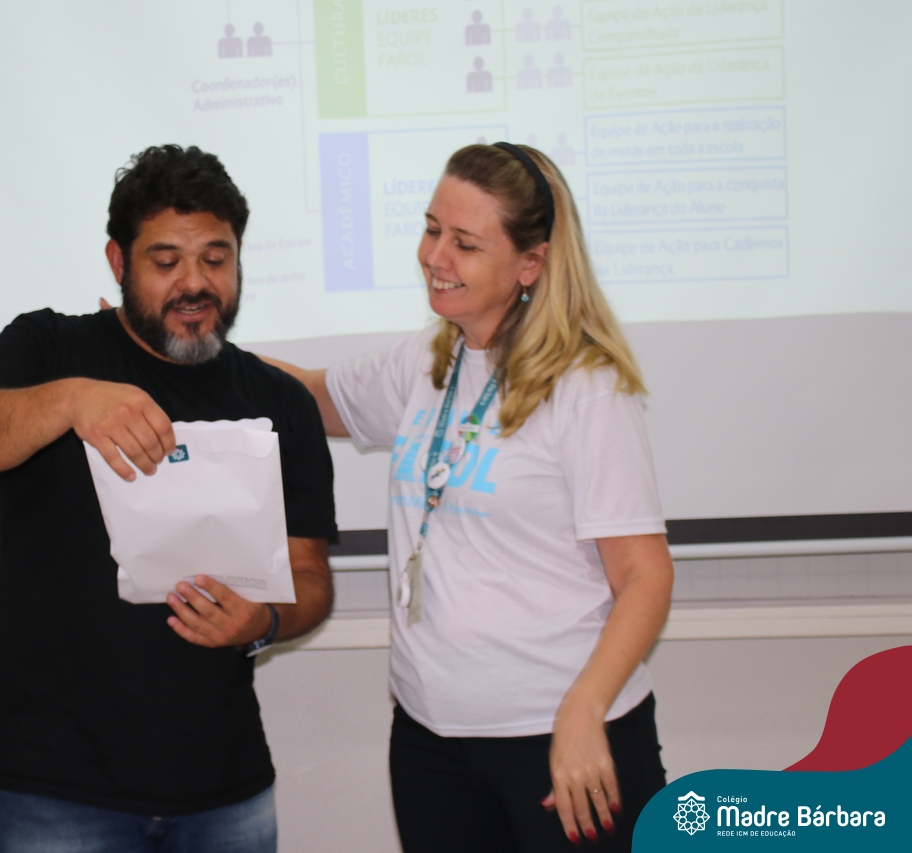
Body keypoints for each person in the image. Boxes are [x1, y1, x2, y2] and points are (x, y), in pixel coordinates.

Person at [0, 144, 338, 853]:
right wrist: (69, 401)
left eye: (216, 258)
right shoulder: (50, 347)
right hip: (55, 786)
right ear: (119, 262)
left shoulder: (278, 401)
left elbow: (310, 579)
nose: (195, 282)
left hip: (224, 785)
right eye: (166, 261)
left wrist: (264, 621)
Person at [265, 143, 672, 851]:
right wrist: (179, 344)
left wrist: (583, 710)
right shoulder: (431, 359)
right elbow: (308, 397)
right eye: (431, 230)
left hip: (561, 737)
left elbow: (645, 575)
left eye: (465, 242)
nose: (435, 256)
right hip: (431, 739)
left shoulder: (586, 387)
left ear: (530, 263)